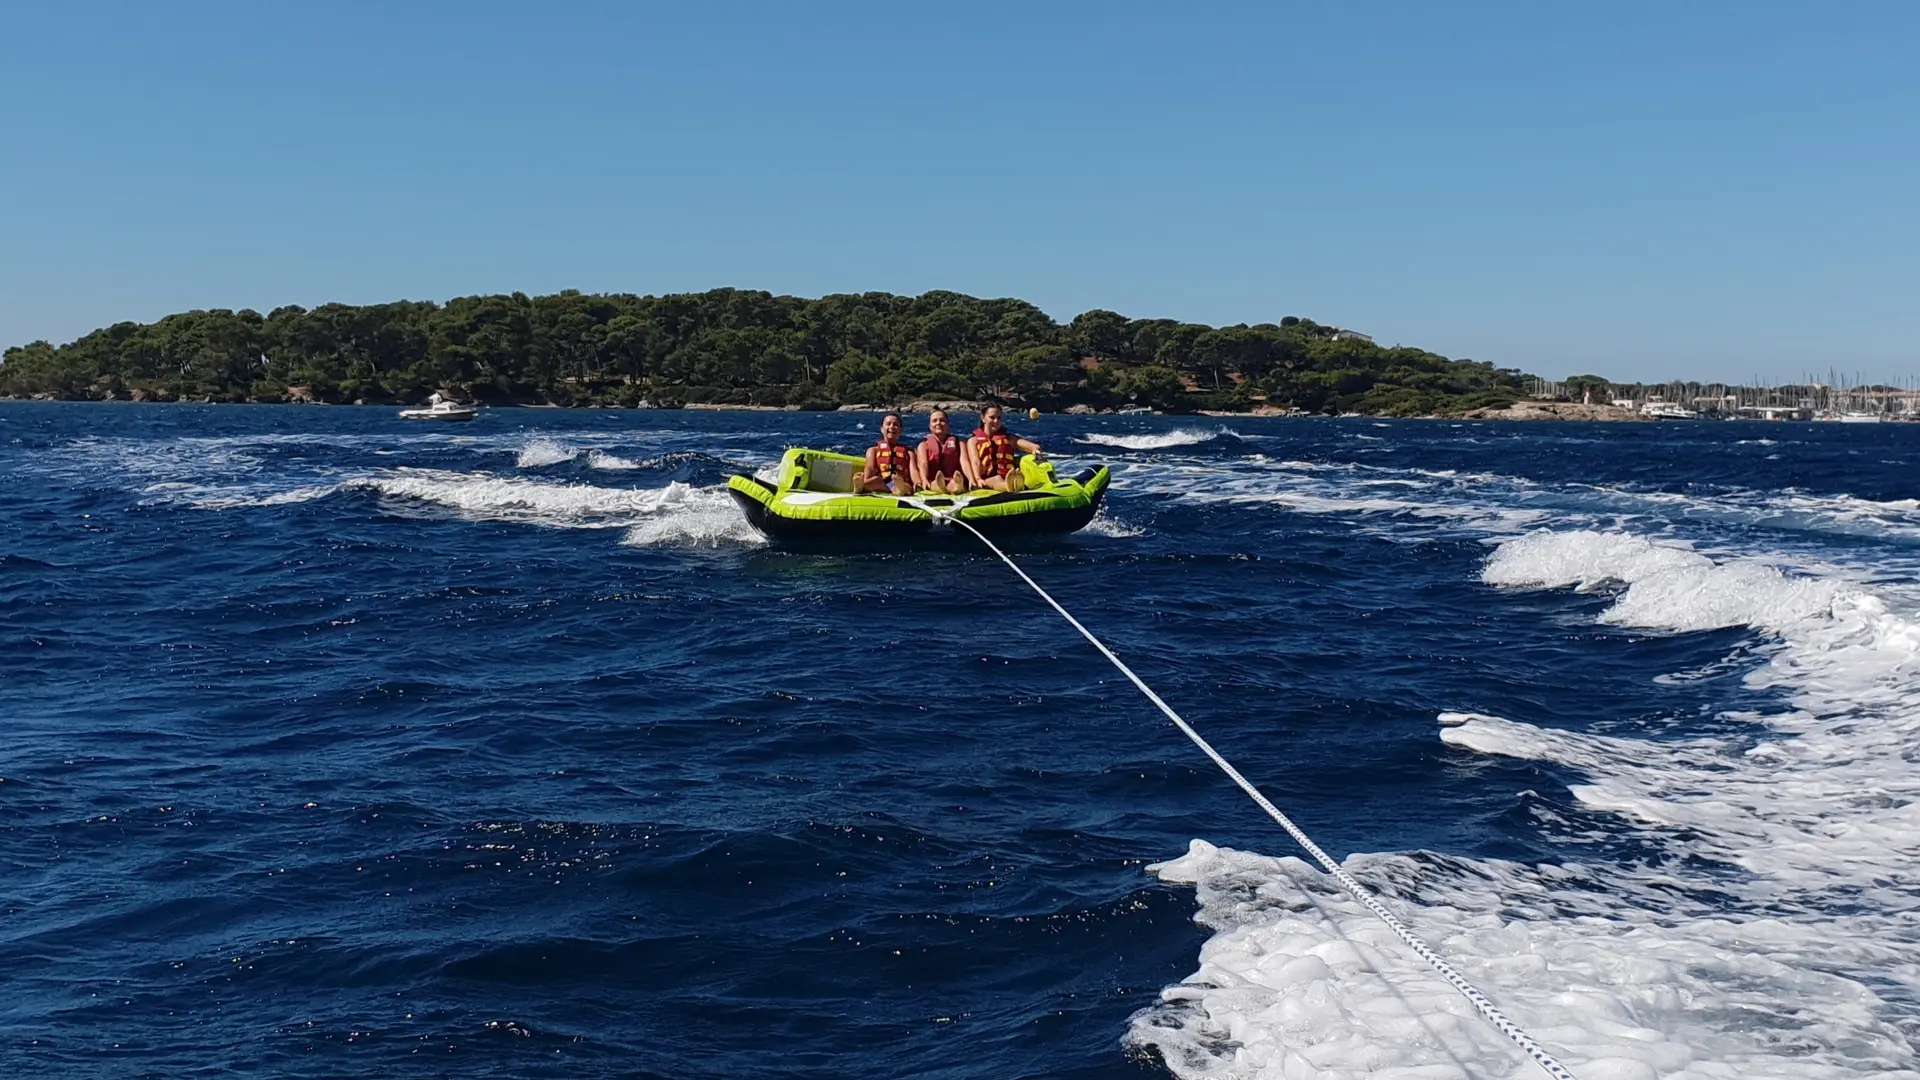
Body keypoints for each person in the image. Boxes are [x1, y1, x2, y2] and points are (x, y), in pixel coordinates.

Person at [963, 404, 1043, 492]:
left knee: (1015, 470)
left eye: (999, 418)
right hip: (986, 480)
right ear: (983, 418)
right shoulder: (973, 441)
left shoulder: (1008, 438)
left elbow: (1033, 446)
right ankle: (1011, 486)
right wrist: (978, 479)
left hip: (1008, 475)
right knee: (996, 480)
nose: (996, 421)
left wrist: (1035, 450)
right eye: (992, 417)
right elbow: (975, 462)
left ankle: (1015, 483)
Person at [858, 411, 916, 495]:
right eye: (888, 424)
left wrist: (918, 483)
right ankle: (859, 486)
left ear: (901, 430)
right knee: (874, 480)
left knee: (906, 486)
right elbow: (869, 471)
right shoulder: (873, 451)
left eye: (896, 425)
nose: (892, 427)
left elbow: (914, 472)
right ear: (881, 429)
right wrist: (865, 481)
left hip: (901, 482)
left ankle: (899, 489)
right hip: (883, 483)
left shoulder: (909, 452)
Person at [916, 409, 968, 494]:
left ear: (948, 425)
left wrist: (972, 479)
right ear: (930, 426)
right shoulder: (923, 445)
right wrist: (924, 479)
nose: (938, 423)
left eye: (942, 420)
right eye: (934, 421)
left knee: (954, 483)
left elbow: (964, 462)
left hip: (953, 478)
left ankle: (957, 486)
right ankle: (942, 486)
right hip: (934, 480)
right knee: (936, 483)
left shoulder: (959, 443)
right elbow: (923, 464)